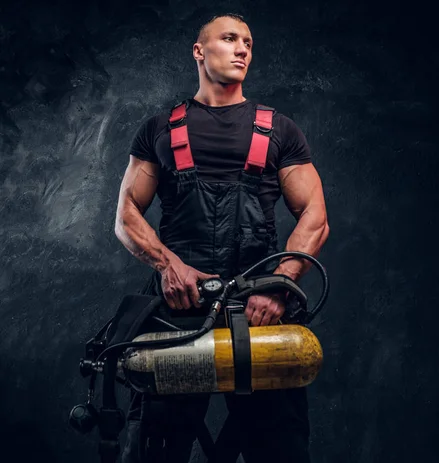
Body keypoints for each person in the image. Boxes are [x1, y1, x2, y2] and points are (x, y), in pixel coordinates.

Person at [113, 13, 330, 463]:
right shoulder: (159, 129)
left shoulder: (280, 130)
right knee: (152, 447)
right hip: (177, 310)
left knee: (280, 447)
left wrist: (278, 284)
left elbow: (316, 217)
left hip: (259, 311)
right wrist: (167, 266)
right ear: (199, 51)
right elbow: (126, 215)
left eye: (248, 42)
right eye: (230, 39)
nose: (242, 49)